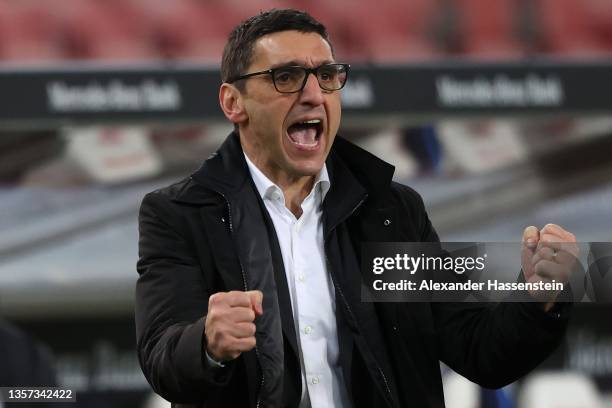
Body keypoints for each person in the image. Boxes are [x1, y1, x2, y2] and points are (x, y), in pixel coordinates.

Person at [135, 9, 577, 408]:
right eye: (286, 77)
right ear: (234, 102)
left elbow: (478, 350)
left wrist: (537, 298)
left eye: (326, 75)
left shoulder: (390, 210)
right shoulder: (180, 214)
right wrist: (207, 345)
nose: (313, 95)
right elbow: (161, 360)